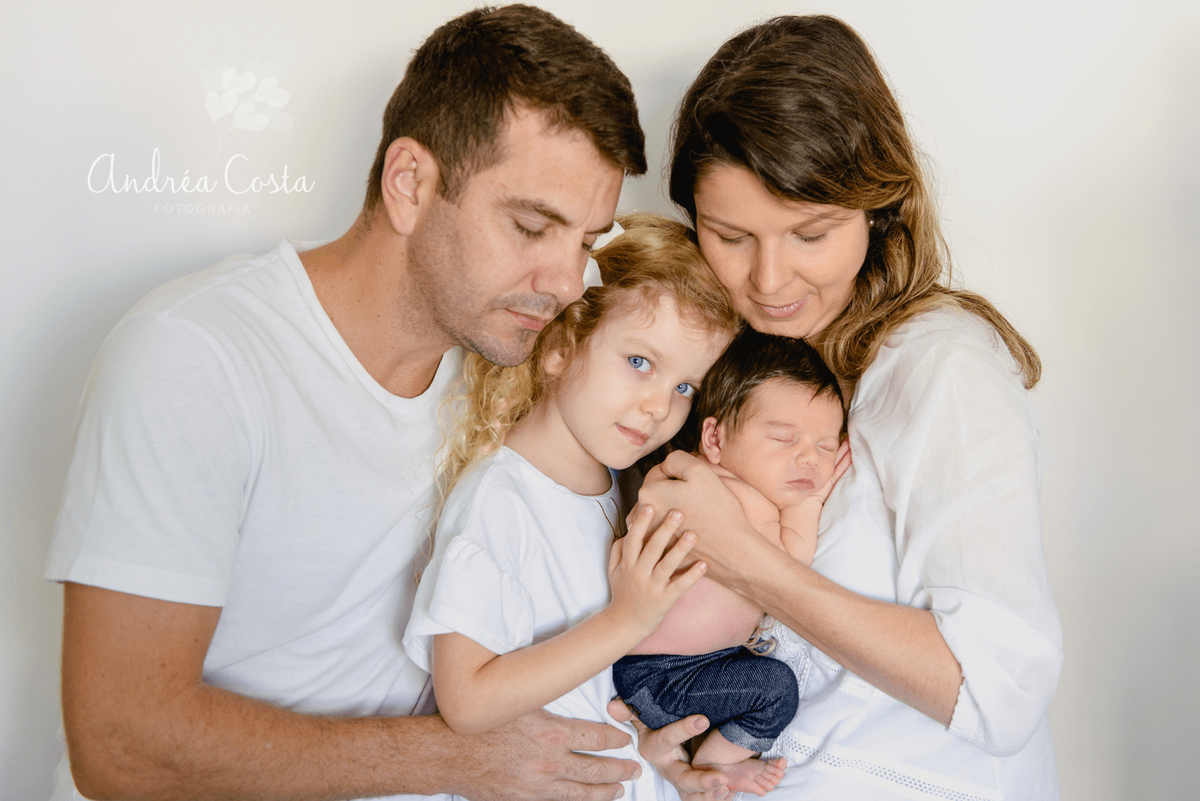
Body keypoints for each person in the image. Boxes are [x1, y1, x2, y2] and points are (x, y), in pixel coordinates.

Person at [42, 7, 719, 801]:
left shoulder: (514, 367)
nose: (569, 283)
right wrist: (456, 757)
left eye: (583, 242)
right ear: (410, 184)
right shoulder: (197, 356)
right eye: (532, 226)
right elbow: (121, 745)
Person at [625, 14, 1064, 801]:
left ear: (879, 209)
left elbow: (999, 690)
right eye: (730, 235)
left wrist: (746, 555)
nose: (768, 279)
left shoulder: (941, 367)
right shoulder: (710, 366)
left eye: (810, 233)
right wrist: (669, 736)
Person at [403, 212, 740, 800]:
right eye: (640, 362)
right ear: (560, 347)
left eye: (685, 386)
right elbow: (467, 700)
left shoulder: (620, 489)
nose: (660, 406)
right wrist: (626, 620)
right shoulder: (502, 498)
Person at [612, 328, 846, 796]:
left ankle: (698, 757)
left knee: (771, 676)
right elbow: (791, 562)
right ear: (714, 439)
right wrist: (809, 502)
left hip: (699, 668)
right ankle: (716, 761)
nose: (809, 459)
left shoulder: (738, 494)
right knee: (776, 688)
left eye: (826, 446)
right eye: (783, 438)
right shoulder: (704, 485)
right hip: (662, 673)